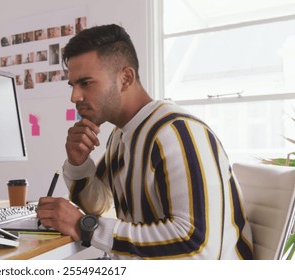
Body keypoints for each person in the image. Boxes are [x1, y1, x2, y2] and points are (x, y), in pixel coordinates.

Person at [36, 24, 253, 260]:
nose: (74, 97)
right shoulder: (121, 135)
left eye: (86, 83)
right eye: (73, 85)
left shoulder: (176, 133)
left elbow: (196, 244)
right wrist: (78, 163)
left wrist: (85, 227)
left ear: (125, 78)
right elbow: (97, 205)